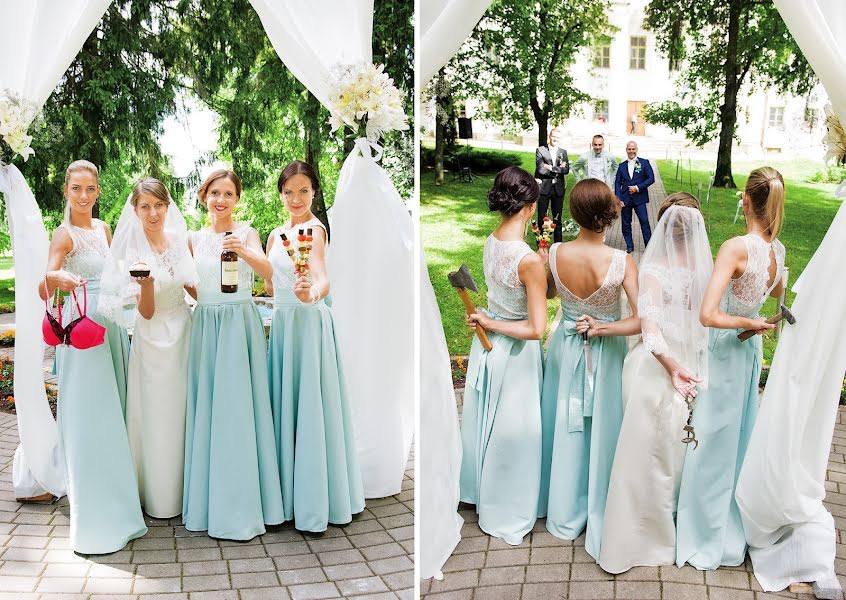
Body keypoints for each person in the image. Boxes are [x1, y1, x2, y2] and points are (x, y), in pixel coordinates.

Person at [676, 167, 786, 570]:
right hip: (750, 352)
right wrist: (754, 318)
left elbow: (708, 314)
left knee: (712, 442)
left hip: (727, 349)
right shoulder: (779, 250)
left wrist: (743, 320)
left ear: (745, 199)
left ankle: (704, 532)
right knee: (738, 438)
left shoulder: (736, 247)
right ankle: (730, 527)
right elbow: (775, 295)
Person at [598, 194, 713, 574]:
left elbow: (650, 333)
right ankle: (670, 533)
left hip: (658, 366)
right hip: (689, 366)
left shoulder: (654, 269)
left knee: (643, 456)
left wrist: (670, 367)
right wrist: (680, 367)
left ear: (662, 226)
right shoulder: (706, 271)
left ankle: (637, 537)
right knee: (672, 455)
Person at [38, 160, 147, 553]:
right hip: (80, 331)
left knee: (113, 411)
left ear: (98, 191)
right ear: (66, 191)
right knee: (89, 414)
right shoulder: (63, 236)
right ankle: (92, 504)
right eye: (76, 189)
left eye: (90, 189)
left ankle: (119, 491)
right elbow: (41, 288)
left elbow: (115, 272)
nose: (84, 196)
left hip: (111, 326)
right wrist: (58, 278)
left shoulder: (103, 229)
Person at [538, 178, 639, 560]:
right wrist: (604, 327)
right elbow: (644, 319)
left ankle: (562, 506)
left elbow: (549, 293)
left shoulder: (555, 252)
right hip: (606, 351)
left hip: (565, 347)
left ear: (574, 214)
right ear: (611, 214)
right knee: (601, 426)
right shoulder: (621, 260)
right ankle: (599, 500)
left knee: (565, 423)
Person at [182, 169, 284, 540]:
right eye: (214, 193)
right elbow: (191, 286)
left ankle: (248, 503)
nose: (221, 200)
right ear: (204, 197)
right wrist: (208, 303)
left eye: (228, 193)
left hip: (241, 323)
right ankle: (212, 500)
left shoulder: (247, 233)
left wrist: (244, 251)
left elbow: (269, 272)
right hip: (207, 325)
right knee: (210, 406)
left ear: (237, 199)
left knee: (242, 407)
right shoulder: (192, 239)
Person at [265, 161, 364, 532]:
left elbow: (323, 279)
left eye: (303, 190)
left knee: (309, 407)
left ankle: (315, 499)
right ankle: (287, 497)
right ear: (281, 193)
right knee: (286, 406)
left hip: (308, 322)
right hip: (284, 324)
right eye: (289, 191)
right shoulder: (274, 235)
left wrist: (312, 293)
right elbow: (271, 285)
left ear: (314, 192)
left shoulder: (315, 230)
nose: (296, 198)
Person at [100, 178, 198, 519]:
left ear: (167, 207)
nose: (153, 213)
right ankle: (158, 495)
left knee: (184, 410)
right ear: (136, 210)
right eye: (145, 207)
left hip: (184, 332)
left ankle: (190, 489)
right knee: (156, 413)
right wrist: (148, 286)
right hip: (152, 337)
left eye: (158, 205)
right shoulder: (132, 253)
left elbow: (194, 288)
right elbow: (145, 311)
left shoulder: (179, 242)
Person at [459, 166, 546, 545]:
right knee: (515, 434)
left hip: (486, 346)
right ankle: (508, 503)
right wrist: (493, 324)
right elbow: (536, 329)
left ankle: (480, 491)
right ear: (529, 207)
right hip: (513, 353)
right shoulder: (528, 261)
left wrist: (488, 321)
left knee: (488, 424)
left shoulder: (491, 241)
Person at [614, 141, 656, 253]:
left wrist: (638, 187)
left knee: (644, 222)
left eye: (633, 149)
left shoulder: (644, 163)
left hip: (640, 198)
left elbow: (651, 178)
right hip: (625, 199)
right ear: (626, 150)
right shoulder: (622, 166)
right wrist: (619, 198)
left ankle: (648, 247)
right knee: (626, 223)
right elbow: (618, 183)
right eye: (629, 149)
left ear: (636, 149)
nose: (631, 151)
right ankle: (629, 246)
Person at [534, 127, 569, 242]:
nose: (555, 139)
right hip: (544, 188)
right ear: (549, 137)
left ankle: (557, 246)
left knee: (557, 219)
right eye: (553, 136)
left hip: (558, 189)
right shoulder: (540, 150)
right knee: (542, 219)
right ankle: (541, 244)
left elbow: (566, 170)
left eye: (558, 137)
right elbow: (541, 170)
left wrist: (550, 168)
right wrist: (558, 169)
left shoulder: (563, 152)